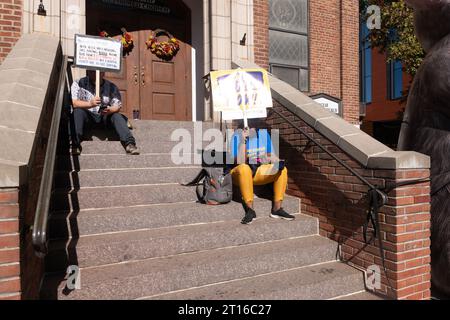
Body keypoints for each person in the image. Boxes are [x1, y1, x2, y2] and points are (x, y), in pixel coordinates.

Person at [228, 124, 295, 225]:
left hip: (258, 170)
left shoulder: (263, 134)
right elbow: (239, 161)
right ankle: (250, 210)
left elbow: (270, 155)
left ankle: (277, 209)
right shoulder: (237, 136)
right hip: (240, 173)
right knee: (244, 168)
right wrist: (243, 140)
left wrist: (277, 161)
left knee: (282, 169)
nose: (253, 125)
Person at [71, 70, 140, 155]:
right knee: (78, 111)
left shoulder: (111, 87)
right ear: (88, 71)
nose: (96, 73)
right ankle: (75, 145)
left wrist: (109, 110)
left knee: (116, 116)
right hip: (87, 116)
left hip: (104, 117)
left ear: (103, 73)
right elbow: (74, 103)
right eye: (92, 71)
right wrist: (90, 104)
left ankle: (130, 144)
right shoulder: (78, 83)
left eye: (100, 71)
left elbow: (117, 106)